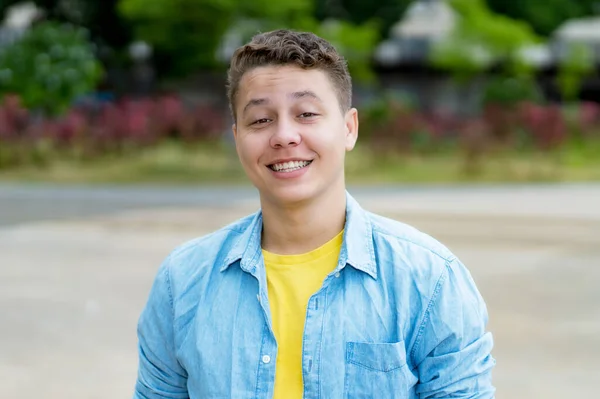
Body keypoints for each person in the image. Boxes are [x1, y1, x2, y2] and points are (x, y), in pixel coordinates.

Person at [133, 29, 496, 399]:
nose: (284, 136)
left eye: (306, 114)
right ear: (237, 135)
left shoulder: (427, 279)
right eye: (260, 120)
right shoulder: (182, 282)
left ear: (348, 128)